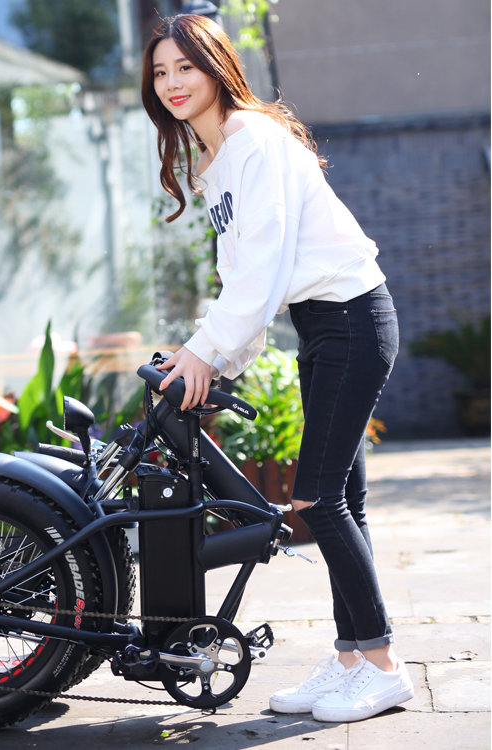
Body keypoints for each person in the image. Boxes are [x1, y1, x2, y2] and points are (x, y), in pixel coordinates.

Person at [141, 14, 414, 723]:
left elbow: (263, 267)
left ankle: (383, 666)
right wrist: (205, 353)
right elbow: (243, 278)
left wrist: (207, 351)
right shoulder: (216, 160)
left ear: (216, 67)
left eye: (185, 67)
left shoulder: (254, 140)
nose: (172, 83)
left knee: (317, 500)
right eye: (161, 72)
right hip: (325, 327)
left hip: (353, 319)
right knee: (341, 499)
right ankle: (352, 659)